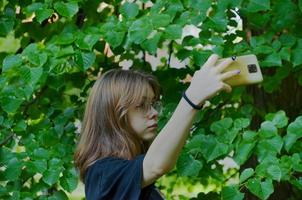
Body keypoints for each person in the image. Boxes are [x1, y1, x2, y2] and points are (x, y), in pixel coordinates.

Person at [74, 54, 240, 200]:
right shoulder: (103, 174)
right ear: (114, 114)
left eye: (152, 104)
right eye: (141, 105)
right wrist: (193, 96)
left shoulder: (131, 173)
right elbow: (156, 165)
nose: (153, 112)